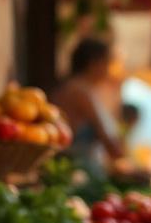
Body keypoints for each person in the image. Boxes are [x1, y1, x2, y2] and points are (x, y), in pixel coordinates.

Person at [53, 37, 126, 174]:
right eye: (107, 62)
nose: (109, 69)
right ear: (94, 63)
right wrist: (126, 164)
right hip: (75, 171)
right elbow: (106, 138)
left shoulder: (78, 88)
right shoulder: (79, 92)